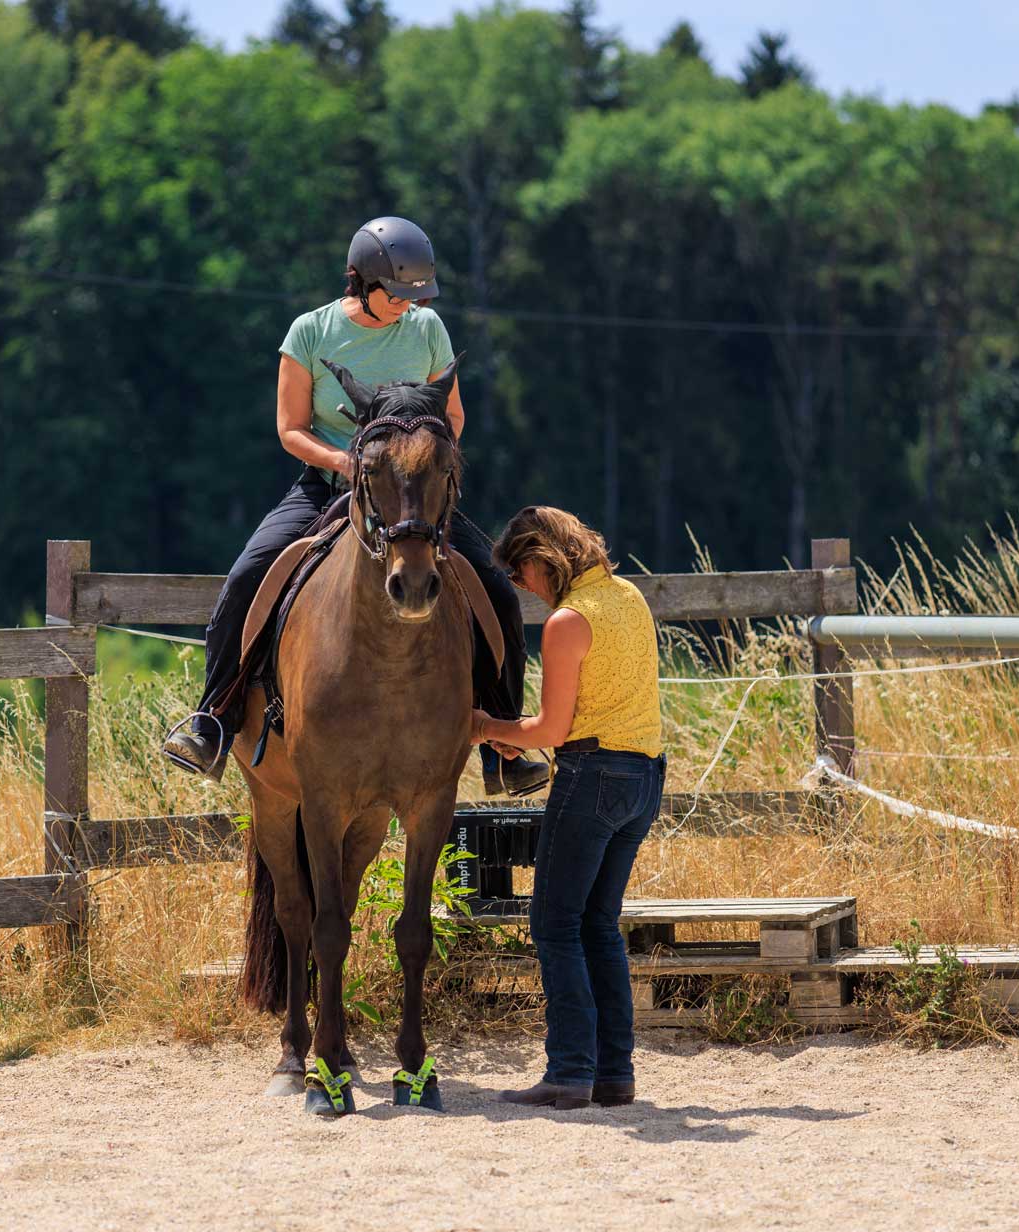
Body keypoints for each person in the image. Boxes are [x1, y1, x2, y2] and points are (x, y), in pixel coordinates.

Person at [161, 216, 548, 798]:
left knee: (495, 588)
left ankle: (506, 748)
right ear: (361, 283)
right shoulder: (310, 333)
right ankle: (212, 718)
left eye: (415, 296)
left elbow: (455, 415)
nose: (405, 306)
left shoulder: (427, 330)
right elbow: (290, 429)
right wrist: (347, 465)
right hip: (329, 487)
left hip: (412, 496)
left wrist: (421, 463)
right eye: (396, 294)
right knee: (246, 574)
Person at [475, 506, 665, 1110]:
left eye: (519, 573)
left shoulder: (567, 621)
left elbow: (553, 727)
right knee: (598, 926)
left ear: (540, 559)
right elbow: (576, 716)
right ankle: (614, 1074)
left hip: (591, 777)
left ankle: (569, 1072)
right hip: (644, 776)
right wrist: (517, 734)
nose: (521, 587)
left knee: (554, 924)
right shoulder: (629, 595)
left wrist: (484, 726)